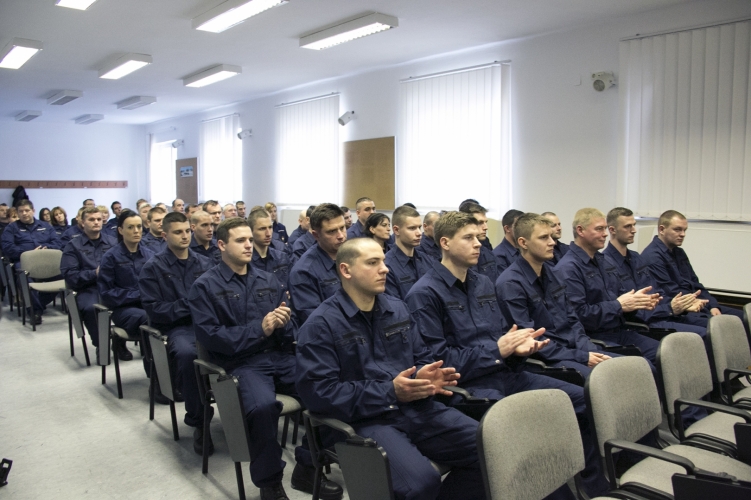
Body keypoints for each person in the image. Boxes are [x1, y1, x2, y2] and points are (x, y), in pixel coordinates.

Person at [405, 211, 609, 498]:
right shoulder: (424, 293)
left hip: (508, 374)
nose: (478, 243)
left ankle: (594, 486)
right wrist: (498, 350)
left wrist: (517, 349)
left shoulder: (483, 283)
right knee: (529, 429)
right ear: (445, 243)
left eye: (477, 237)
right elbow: (440, 363)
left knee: (580, 399)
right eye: (468, 238)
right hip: (469, 388)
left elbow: (502, 336)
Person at [296, 238, 486, 500]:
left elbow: (421, 357)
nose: (385, 268)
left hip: (415, 408)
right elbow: (319, 394)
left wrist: (423, 375)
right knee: (420, 483)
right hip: (364, 420)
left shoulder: (397, 309)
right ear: (346, 270)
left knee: (491, 450)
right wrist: (390, 392)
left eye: (384, 261)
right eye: (373, 263)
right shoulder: (321, 325)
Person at [189, 218, 343, 500]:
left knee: (332, 391)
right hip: (241, 364)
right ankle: (269, 483)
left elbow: (290, 329)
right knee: (262, 408)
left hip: (279, 356)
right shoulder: (205, 286)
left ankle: (308, 467)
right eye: (240, 240)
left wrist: (284, 324)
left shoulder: (268, 279)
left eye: (250, 239)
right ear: (221, 245)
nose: (249, 245)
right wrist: (259, 329)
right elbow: (212, 337)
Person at [496, 213, 621, 378]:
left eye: (551, 236)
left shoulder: (552, 273)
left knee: (625, 369)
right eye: (544, 238)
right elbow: (532, 341)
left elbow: (573, 320)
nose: (552, 242)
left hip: (572, 351)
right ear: (523, 243)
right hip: (546, 360)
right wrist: (581, 357)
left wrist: (588, 350)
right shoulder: (510, 284)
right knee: (606, 380)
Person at [139, 212, 214, 449]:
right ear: (164, 235)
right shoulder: (153, 268)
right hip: (176, 328)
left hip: (206, 323)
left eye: (187, 231)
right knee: (188, 354)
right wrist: (190, 305)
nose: (185, 236)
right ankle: (199, 421)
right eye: (178, 232)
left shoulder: (204, 263)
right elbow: (155, 310)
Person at [555, 208, 661, 363]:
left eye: (605, 228)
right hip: (595, 338)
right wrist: (618, 305)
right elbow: (580, 315)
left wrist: (638, 302)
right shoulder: (568, 268)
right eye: (599, 229)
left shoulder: (603, 261)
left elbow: (620, 297)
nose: (605, 234)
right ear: (580, 231)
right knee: (644, 367)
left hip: (619, 330)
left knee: (664, 353)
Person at [603, 208, 707, 336]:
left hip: (662, 314)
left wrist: (680, 306)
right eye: (628, 226)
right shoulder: (605, 264)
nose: (634, 230)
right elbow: (635, 312)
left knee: (711, 326)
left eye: (634, 225)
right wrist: (670, 308)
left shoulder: (636, 257)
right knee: (703, 334)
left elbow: (657, 292)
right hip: (643, 324)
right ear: (612, 230)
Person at [640, 209, 746, 329]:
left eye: (684, 230)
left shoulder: (679, 253)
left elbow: (696, 284)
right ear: (662, 229)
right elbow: (672, 292)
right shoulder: (652, 257)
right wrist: (701, 304)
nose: (683, 234)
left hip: (698, 302)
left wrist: (713, 305)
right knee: (723, 326)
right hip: (681, 309)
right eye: (677, 229)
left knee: (744, 318)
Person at [97, 210, 155, 363]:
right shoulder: (110, 257)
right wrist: (137, 294)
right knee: (150, 319)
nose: (136, 231)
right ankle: (153, 365)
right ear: (121, 230)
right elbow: (106, 293)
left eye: (139, 227)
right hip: (122, 309)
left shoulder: (149, 255)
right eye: (130, 227)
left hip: (147, 304)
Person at [61, 207, 117, 349]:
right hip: (88, 288)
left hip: (112, 286)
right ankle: (102, 347)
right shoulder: (73, 246)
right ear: (82, 223)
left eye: (99, 219)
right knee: (91, 309)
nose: (96, 222)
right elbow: (71, 276)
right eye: (91, 219)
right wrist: (94, 273)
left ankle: (119, 342)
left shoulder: (113, 242)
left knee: (134, 302)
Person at [1, 199, 62, 323]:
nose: (24, 213)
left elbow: (57, 243)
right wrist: (29, 252)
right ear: (17, 213)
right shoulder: (11, 228)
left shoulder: (46, 226)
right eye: (21, 211)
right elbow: (7, 247)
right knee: (23, 278)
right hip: (23, 262)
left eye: (27, 210)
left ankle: (38, 303)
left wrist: (47, 248)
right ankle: (35, 311)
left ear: (33, 211)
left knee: (65, 274)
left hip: (46, 261)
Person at [289, 204, 347, 325]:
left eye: (342, 228)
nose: (341, 236)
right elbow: (316, 322)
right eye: (332, 231)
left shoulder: (353, 256)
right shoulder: (303, 272)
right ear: (316, 235)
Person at [384, 206, 437, 300]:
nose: (419, 233)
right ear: (396, 230)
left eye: (419, 227)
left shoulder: (427, 260)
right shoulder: (387, 266)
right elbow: (394, 304)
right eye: (412, 228)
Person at [249, 208, 292, 293]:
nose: (268, 234)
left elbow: (293, 284)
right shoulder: (246, 262)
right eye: (262, 229)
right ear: (250, 231)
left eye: (270, 227)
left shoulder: (281, 257)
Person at [460, 203, 501, 284]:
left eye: (486, 222)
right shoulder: (458, 254)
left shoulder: (488, 253)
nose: (486, 227)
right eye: (480, 223)